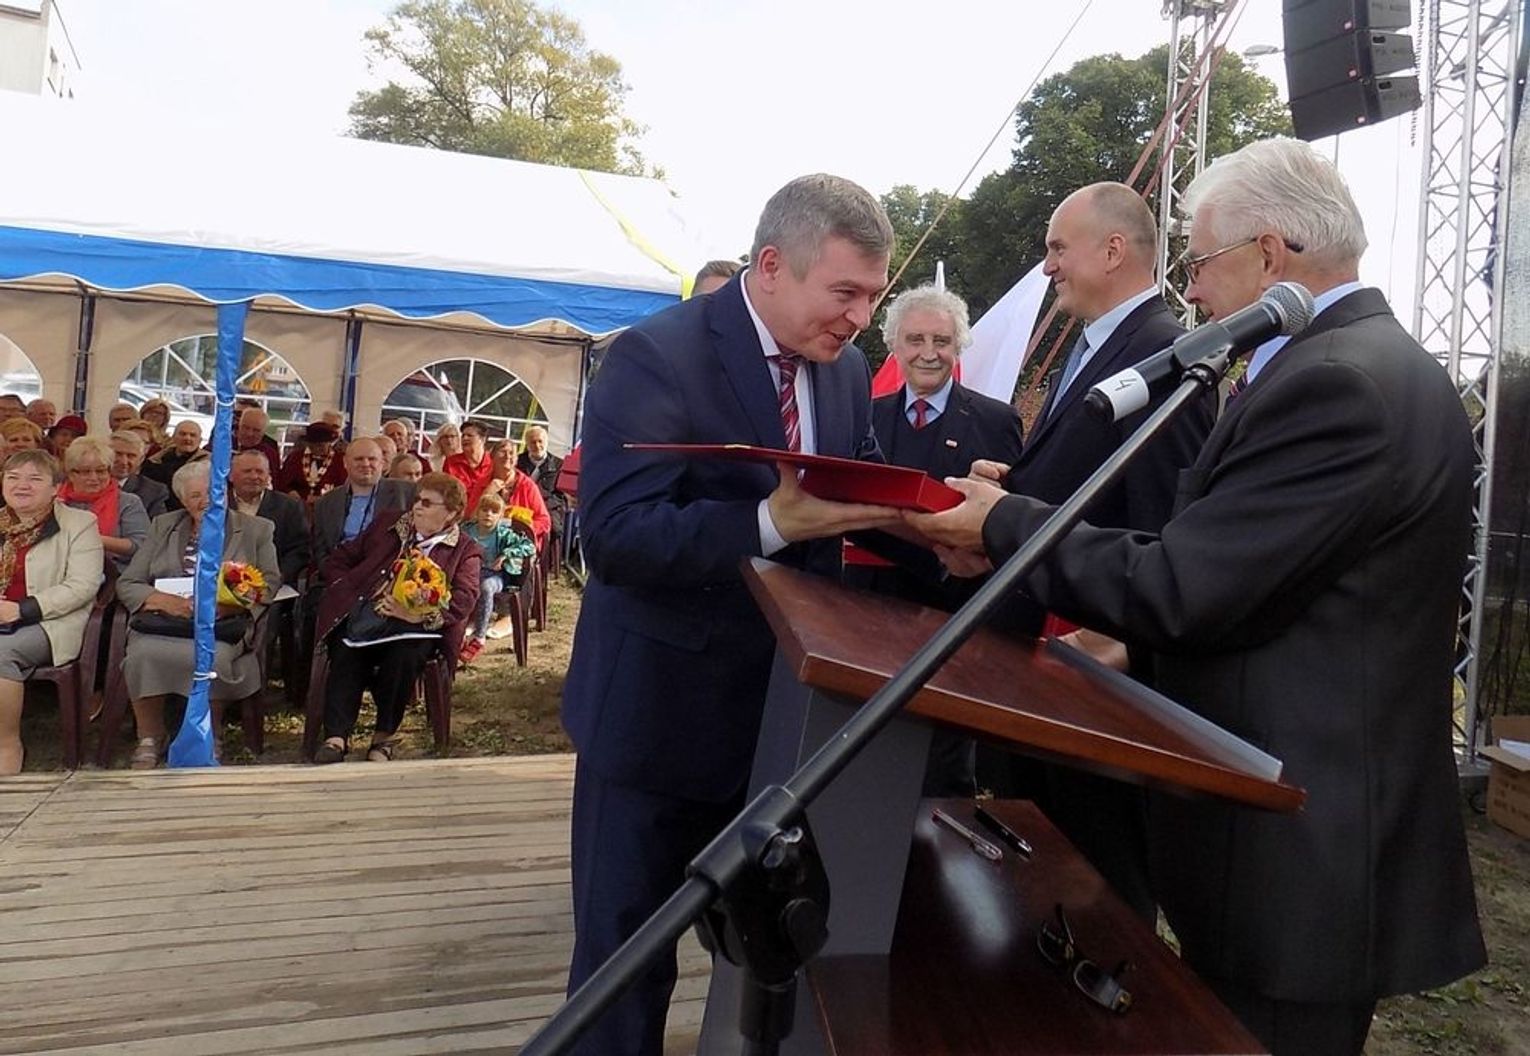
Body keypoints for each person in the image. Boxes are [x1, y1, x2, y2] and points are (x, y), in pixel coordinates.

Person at [910, 137, 1486, 1056]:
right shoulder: (1353, 363)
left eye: (1200, 262)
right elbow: (1256, 576)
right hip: (1292, 833)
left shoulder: (1336, 382)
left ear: (1270, 254)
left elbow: (1190, 586)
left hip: (1302, 850)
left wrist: (1007, 526)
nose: (1192, 290)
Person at [561, 173, 901, 1056]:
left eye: (873, 296)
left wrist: (943, 522)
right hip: (656, 725)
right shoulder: (655, 356)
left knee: (768, 959)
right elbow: (616, 537)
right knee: (623, 971)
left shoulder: (845, 369)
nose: (862, 318)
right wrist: (765, 524)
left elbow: (853, 485)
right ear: (773, 266)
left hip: (785, 728)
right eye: (846, 292)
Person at [980, 182, 1216, 921]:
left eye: (1058, 248)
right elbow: (1088, 482)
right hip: (1044, 671)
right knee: (1037, 881)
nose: (1047, 266)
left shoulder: (1166, 355)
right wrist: (1014, 487)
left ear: (1113, 250)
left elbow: (1165, 528)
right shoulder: (1096, 345)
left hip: (1088, 686)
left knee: (1099, 894)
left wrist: (1107, 648)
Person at [856, 282, 1024, 797]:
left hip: (951, 620)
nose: (928, 353)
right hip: (867, 617)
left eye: (941, 341)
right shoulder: (865, 415)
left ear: (959, 346)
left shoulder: (996, 421)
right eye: (915, 340)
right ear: (894, 345)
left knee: (939, 772)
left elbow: (1009, 521)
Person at [115, 459, 280, 769]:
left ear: (225, 492)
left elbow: (269, 584)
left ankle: (210, 733)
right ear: (182, 500)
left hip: (221, 624)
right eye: (195, 496)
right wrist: (164, 601)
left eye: (212, 492)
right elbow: (129, 582)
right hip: (164, 622)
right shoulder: (163, 526)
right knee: (141, 655)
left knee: (213, 657)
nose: (205, 501)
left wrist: (230, 604)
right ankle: (150, 736)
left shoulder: (256, 529)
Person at [311, 473, 479, 764]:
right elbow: (341, 558)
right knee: (346, 649)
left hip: (418, 629)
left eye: (427, 503)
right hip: (367, 616)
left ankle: (383, 737)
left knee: (404, 656)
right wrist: (349, 588)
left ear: (451, 513)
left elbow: (464, 599)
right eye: (417, 500)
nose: (417, 507)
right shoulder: (389, 525)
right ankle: (336, 737)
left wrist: (416, 615)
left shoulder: (465, 550)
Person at [0, 449, 103, 774]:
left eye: (34, 479)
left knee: (1, 652)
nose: (22, 485)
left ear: (56, 488)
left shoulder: (79, 524)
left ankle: (6, 746)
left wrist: (22, 609)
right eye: (13, 477)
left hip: (49, 622)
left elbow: (83, 585)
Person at [310, 438, 415, 579]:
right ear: (345, 463)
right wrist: (336, 576)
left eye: (372, 459)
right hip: (339, 577)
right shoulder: (325, 503)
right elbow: (321, 551)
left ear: (382, 463)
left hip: (388, 579)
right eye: (359, 459)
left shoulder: (407, 493)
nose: (366, 464)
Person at [459, 492, 538, 663]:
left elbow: (529, 546)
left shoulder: (503, 533)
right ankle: (458, 632)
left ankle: (479, 637)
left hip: (495, 575)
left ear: (501, 515)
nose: (488, 514)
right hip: (469, 573)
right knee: (458, 586)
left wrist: (506, 554)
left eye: (494, 512)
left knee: (486, 587)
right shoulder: (467, 530)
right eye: (484, 510)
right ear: (477, 511)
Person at [59, 436, 148, 570]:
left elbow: (141, 545)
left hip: (114, 572)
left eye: (101, 471)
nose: (94, 478)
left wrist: (91, 539)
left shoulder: (128, 502)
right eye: (86, 472)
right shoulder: (55, 501)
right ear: (71, 474)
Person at [229, 449, 310, 588]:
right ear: (231, 475)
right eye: (247, 471)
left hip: (273, 587)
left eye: (260, 472)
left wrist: (274, 578)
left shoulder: (289, 506)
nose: (254, 476)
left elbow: (300, 550)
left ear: (268, 476)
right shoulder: (217, 505)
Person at [482, 439, 551, 551]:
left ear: (516, 459)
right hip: (486, 542)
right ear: (492, 457)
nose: (507, 456)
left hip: (518, 545)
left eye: (511, 453)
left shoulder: (527, 486)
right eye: (503, 452)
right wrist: (487, 493)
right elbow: (469, 518)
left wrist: (525, 528)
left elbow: (544, 521)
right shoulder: (483, 483)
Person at [515, 424, 567, 547]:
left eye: (540, 441)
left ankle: (551, 557)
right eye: (533, 442)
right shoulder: (517, 462)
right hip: (522, 504)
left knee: (554, 528)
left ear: (546, 442)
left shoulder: (559, 464)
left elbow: (561, 495)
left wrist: (543, 504)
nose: (537, 446)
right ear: (527, 444)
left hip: (548, 506)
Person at [141, 420, 209, 510]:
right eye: (183, 434)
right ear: (173, 437)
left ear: (200, 440)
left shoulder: (208, 463)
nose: (187, 438)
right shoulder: (155, 461)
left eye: (192, 435)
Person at [273, 422, 345, 506]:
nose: (316, 449)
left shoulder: (340, 460)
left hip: (328, 506)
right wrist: (292, 493)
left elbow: (343, 488)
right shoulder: (295, 457)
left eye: (321, 446)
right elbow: (283, 482)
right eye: (312, 445)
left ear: (329, 443)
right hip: (297, 505)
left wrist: (322, 499)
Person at [109, 429, 169, 519]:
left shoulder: (155, 492)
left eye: (131, 456)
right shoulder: (90, 483)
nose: (123, 461)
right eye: (117, 454)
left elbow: (157, 526)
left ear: (141, 459)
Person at [443, 419, 495, 509]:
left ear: (483, 439)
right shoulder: (451, 462)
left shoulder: (493, 463)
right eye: (463, 435)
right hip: (458, 510)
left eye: (469, 435)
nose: (465, 438)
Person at [233, 406, 281, 475]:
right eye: (246, 427)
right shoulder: (225, 445)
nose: (249, 433)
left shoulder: (270, 454)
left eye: (256, 430)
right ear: (239, 425)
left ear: (264, 432)